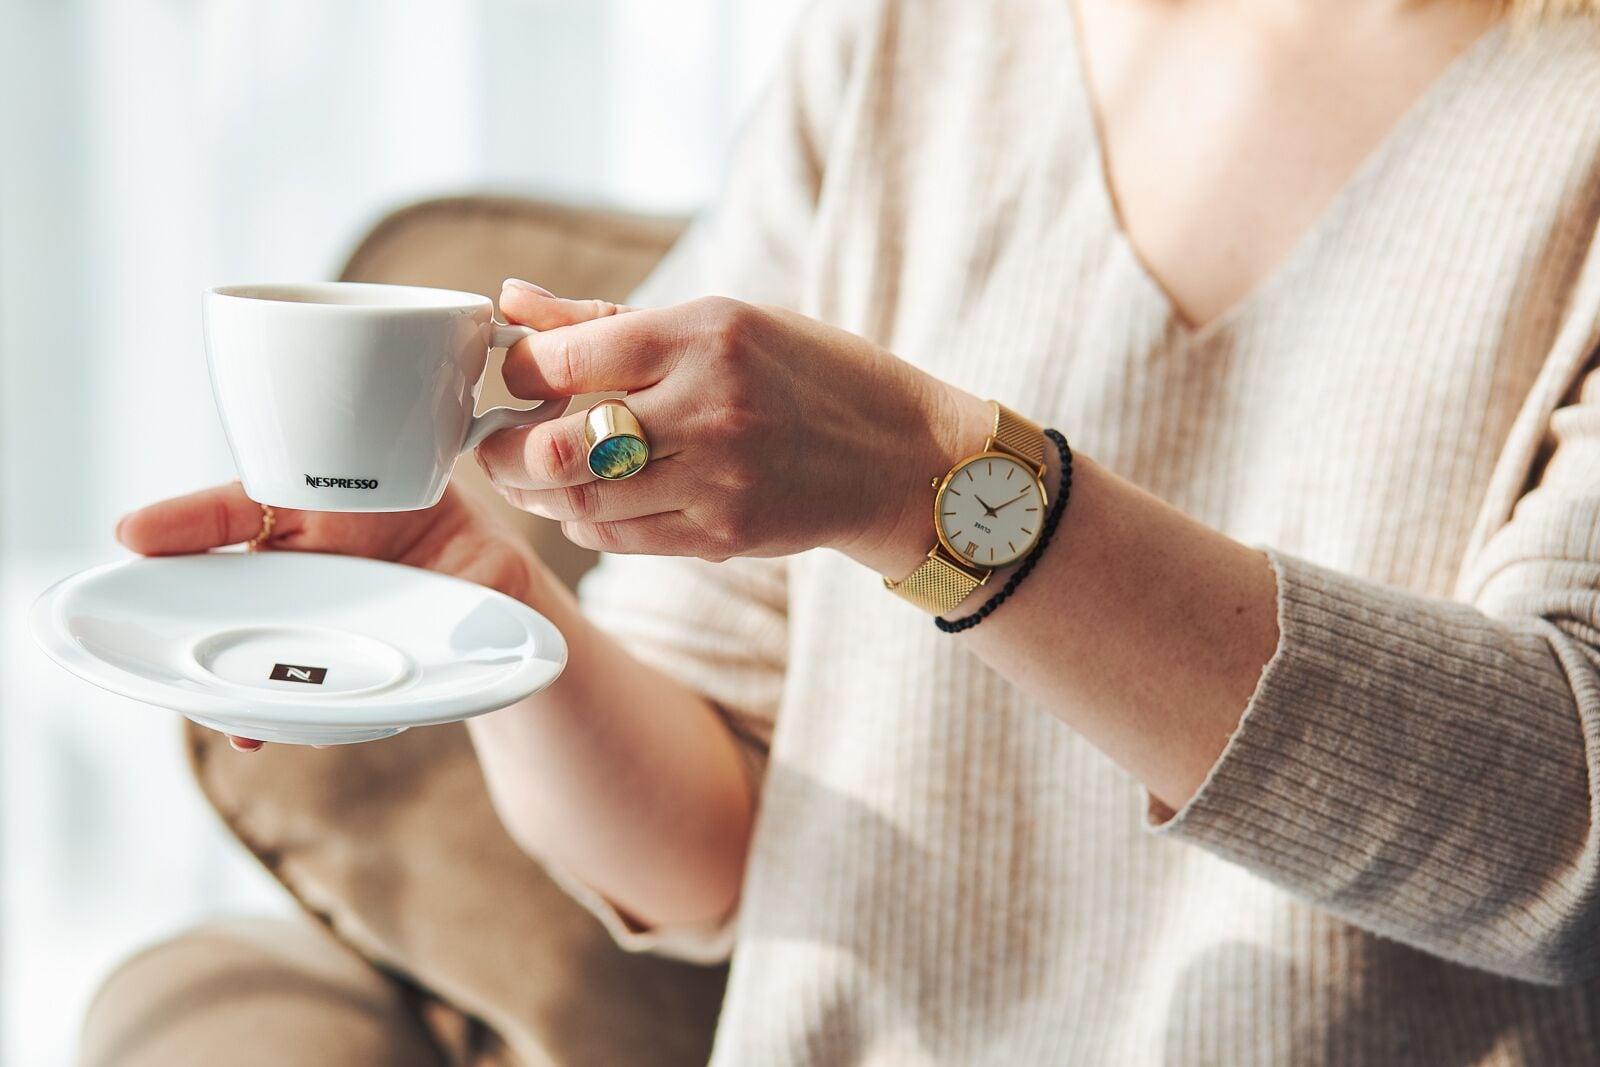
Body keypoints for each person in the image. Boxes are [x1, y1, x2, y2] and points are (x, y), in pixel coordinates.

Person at [113, 0, 1600, 1061]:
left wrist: (933, 486)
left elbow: (1571, 832)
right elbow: (709, 851)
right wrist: (496, 604)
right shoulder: (909, 41)